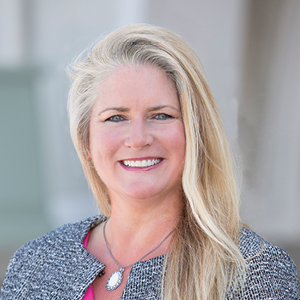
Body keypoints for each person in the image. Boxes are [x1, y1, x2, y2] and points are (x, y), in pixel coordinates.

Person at [1, 24, 299, 300]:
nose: (138, 138)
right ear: (85, 141)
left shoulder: (253, 272)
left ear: (195, 133)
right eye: (115, 117)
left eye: (161, 115)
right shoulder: (35, 263)